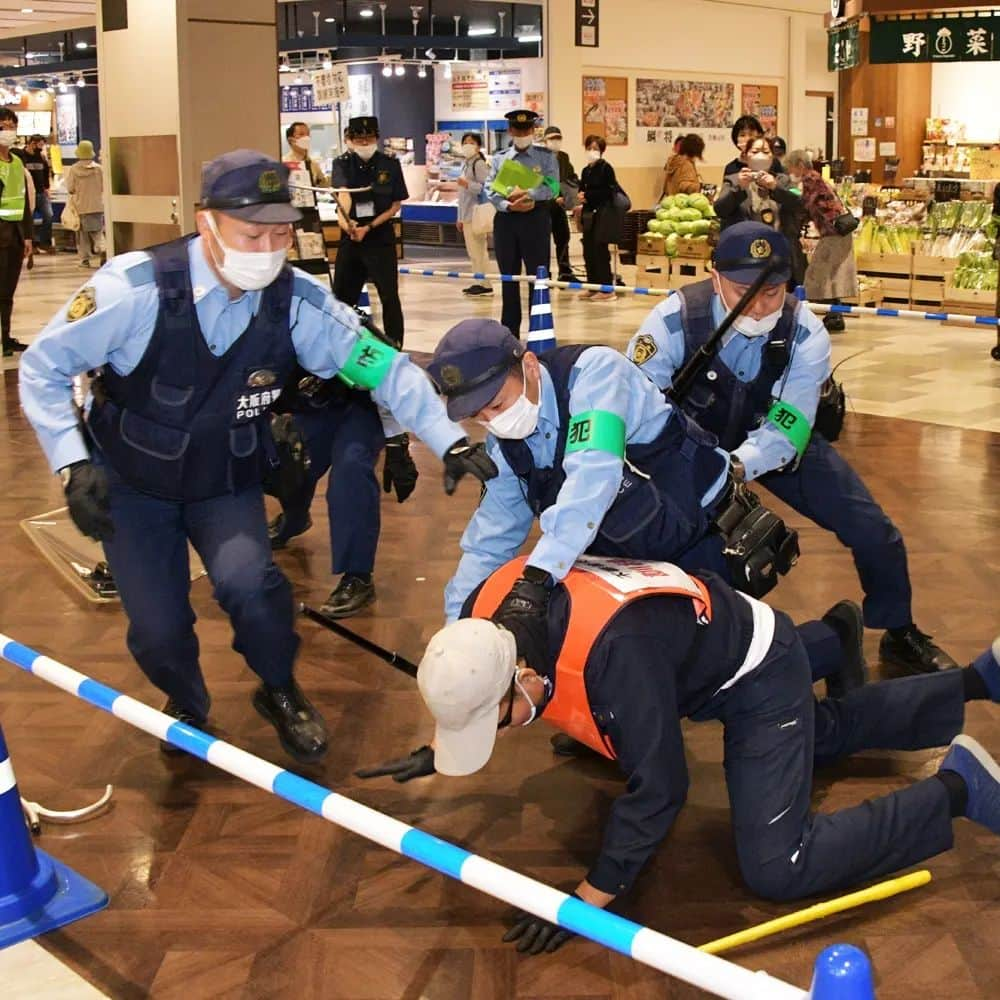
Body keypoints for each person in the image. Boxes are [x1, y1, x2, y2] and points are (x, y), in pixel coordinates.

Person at [18, 149, 497, 764]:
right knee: (158, 631)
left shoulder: (295, 301)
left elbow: (381, 366)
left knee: (256, 590)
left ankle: (277, 686)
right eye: (254, 232)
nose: (270, 246)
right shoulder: (132, 289)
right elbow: (42, 366)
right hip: (132, 485)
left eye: (282, 231)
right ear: (207, 220)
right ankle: (186, 702)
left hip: (224, 481)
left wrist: (447, 438)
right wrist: (71, 461)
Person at [398, 553, 1000, 954]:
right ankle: (979, 680)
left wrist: (583, 903)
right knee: (819, 736)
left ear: (524, 676)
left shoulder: (616, 662)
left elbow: (661, 789)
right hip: (701, 642)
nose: (500, 736)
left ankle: (960, 787)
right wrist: (444, 738)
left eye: (496, 722)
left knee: (780, 865)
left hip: (757, 671)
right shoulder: (488, 608)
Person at [626, 222, 956, 674]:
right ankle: (658, 658)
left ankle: (899, 629)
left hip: (774, 444)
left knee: (873, 530)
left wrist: (738, 467)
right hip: (690, 452)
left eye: (774, 291)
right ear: (715, 274)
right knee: (664, 548)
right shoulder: (672, 323)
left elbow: (790, 424)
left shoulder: (805, 331)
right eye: (746, 289)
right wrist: (691, 470)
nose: (761, 305)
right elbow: (637, 406)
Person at [267, 357, 419, 618]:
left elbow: (384, 368)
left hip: (362, 405)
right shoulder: (250, 330)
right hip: (312, 406)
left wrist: (396, 441)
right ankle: (294, 519)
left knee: (350, 469)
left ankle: (358, 576)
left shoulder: (337, 321)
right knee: (286, 460)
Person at [330, 116, 407, 347]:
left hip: (380, 237)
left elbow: (395, 204)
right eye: (359, 138)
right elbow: (342, 196)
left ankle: (395, 344)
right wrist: (348, 225)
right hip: (352, 238)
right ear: (350, 139)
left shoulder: (390, 164)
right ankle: (340, 344)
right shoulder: (342, 163)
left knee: (389, 296)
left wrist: (369, 227)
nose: (364, 142)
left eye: (369, 137)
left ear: (377, 137)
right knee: (342, 299)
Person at [486, 109, 559, 338]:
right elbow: (490, 190)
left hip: (535, 221)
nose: (522, 133)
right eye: (518, 130)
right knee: (509, 279)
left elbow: (553, 188)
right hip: (507, 222)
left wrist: (528, 193)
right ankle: (510, 334)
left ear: (533, 130)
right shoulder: (499, 159)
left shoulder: (546, 157)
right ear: (510, 130)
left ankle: (539, 331)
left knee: (538, 279)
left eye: (526, 129)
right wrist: (509, 205)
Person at [715, 135, 805, 287]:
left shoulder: (783, 180)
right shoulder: (733, 180)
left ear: (772, 156)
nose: (760, 156)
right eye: (755, 151)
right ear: (746, 156)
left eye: (765, 151)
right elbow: (720, 209)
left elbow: (800, 201)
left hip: (779, 255)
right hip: (744, 256)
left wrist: (775, 187)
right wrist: (739, 188)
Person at [785, 148, 858, 334]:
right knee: (829, 276)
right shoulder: (815, 178)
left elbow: (807, 206)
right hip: (836, 233)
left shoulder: (810, 180)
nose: (790, 173)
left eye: (791, 168)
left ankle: (832, 316)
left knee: (818, 275)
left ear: (800, 165)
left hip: (833, 233)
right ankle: (834, 316)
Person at [576, 136, 621, 302]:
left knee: (600, 250)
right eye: (590, 147)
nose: (592, 151)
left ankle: (606, 287)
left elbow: (609, 192)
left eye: (596, 148)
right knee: (588, 250)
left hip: (603, 214)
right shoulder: (585, 170)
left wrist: (588, 195)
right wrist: (581, 195)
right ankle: (592, 285)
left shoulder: (606, 168)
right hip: (589, 215)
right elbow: (582, 188)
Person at [455, 133, 492, 297]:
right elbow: (461, 196)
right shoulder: (466, 164)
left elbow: (486, 188)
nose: (468, 145)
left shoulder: (479, 164)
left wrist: (467, 184)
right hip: (467, 214)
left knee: (478, 250)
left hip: (477, 213)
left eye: (472, 142)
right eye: (465, 142)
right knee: (473, 251)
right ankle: (478, 280)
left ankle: (484, 283)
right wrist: (460, 217)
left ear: (478, 146)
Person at [542, 126, 579, 283]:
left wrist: (572, 194)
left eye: (558, 138)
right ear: (545, 141)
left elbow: (570, 177)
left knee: (563, 237)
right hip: (544, 206)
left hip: (561, 205)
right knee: (543, 240)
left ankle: (565, 272)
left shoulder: (563, 157)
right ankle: (544, 274)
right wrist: (552, 197)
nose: (555, 141)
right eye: (551, 138)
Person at [65, 140, 105, 269]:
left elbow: (70, 188)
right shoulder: (99, 169)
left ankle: (84, 260)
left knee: (83, 236)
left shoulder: (74, 169)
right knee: (97, 232)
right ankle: (102, 249)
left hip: (81, 206)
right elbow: (104, 186)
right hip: (97, 205)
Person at [284, 121, 329, 235]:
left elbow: (323, 186)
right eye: (301, 134)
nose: (306, 137)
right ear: (291, 140)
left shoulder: (313, 164)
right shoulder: (284, 162)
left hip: (311, 214)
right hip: (291, 214)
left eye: (308, 134)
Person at [22, 134, 53, 252]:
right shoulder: (22, 157)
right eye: (39, 145)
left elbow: (45, 174)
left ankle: (44, 242)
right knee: (29, 219)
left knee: (48, 215)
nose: (40, 148)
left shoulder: (41, 157)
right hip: (28, 194)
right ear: (32, 143)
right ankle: (32, 243)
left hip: (41, 193)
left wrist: (47, 188)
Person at [661, 133, 703, 198]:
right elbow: (683, 185)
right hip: (683, 203)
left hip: (672, 201)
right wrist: (700, 187)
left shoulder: (674, 160)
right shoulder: (686, 164)